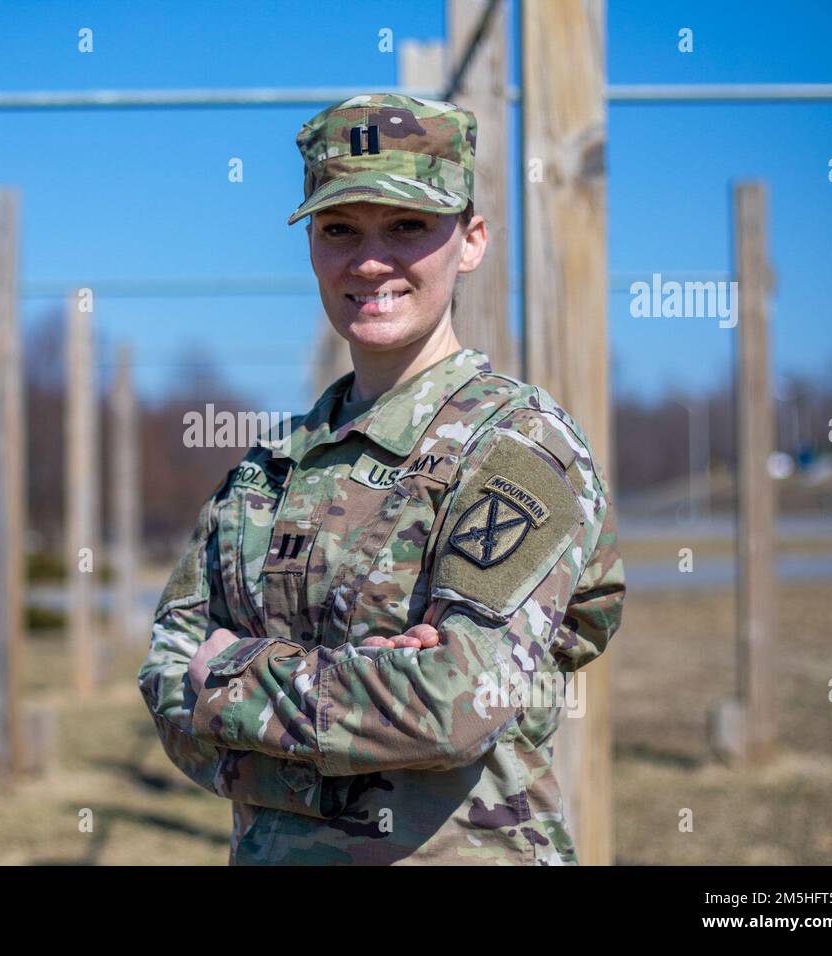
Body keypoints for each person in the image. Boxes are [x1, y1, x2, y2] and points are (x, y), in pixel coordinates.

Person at [137, 92, 626, 865]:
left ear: (471, 242)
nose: (370, 261)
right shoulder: (269, 468)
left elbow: (457, 701)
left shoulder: (517, 448)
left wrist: (229, 676)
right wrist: (368, 701)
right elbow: (166, 675)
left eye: (406, 227)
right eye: (339, 230)